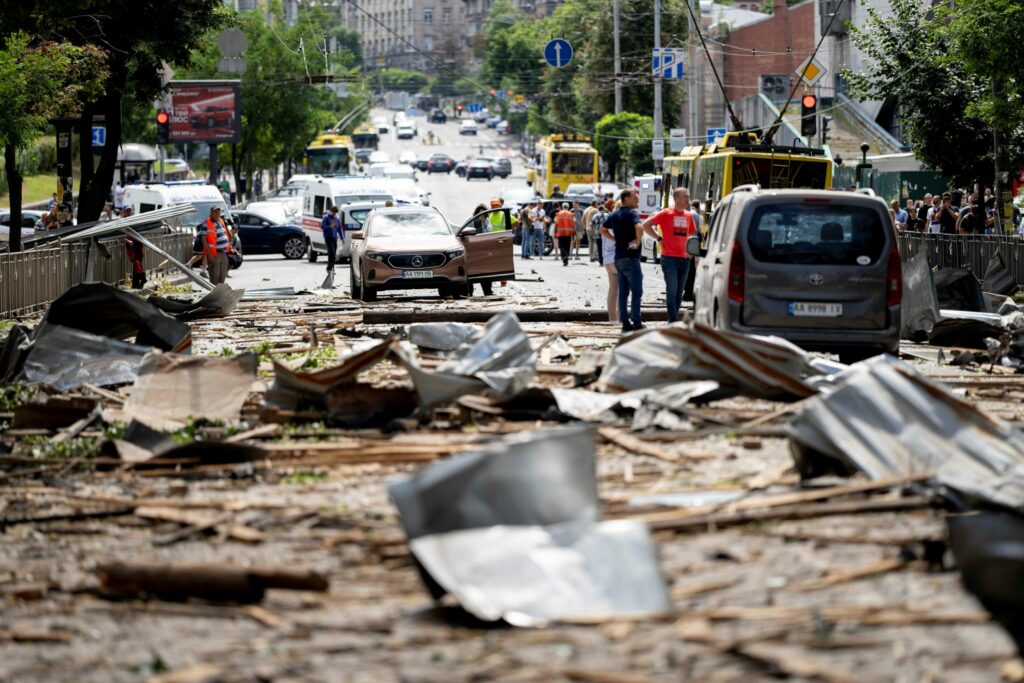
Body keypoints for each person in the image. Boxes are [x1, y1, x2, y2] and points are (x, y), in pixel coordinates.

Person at [643, 188, 698, 324]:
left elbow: (693, 235)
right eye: (685, 197)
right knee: (672, 290)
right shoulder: (665, 213)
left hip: (685, 259)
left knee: (680, 292)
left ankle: (673, 320)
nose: (688, 199)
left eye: (688, 197)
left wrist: (693, 254)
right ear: (677, 198)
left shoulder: (689, 215)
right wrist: (658, 238)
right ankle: (672, 321)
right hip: (669, 259)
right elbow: (646, 225)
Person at [600, 189, 645, 332]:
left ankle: (624, 322)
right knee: (637, 291)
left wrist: (615, 239)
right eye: (634, 199)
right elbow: (639, 226)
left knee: (623, 292)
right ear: (626, 199)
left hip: (618, 257)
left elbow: (602, 229)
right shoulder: (632, 213)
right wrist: (637, 241)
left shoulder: (613, 215)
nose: (637, 201)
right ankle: (637, 322)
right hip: (631, 257)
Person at [599, 199, 619, 323]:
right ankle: (622, 319)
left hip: (607, 259)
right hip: (617, 258)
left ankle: (612, 319)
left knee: (612, 290)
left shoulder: (607, 221)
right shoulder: (619, 220)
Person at [120, 206, 147, 289]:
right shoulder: (121, 222)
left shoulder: (134, 220)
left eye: (130, 211)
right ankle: (143, 279)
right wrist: (127, 241)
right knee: (136, 263)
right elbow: (119, 235)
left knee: (138, 264)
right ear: (124, 212)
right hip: (131, 246)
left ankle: (135, 284)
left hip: (138, 244)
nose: (129, 213)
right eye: (128, 211)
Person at [203, 206, 231, 285]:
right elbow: (203, 239)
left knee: (223, 274)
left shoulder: (221, 221)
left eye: (219, 212)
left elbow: (226, 235)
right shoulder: (206, 223)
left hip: (223, 252)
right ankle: (214, 291)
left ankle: (220, 289)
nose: (217, 214)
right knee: (215, 274)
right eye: (215, 212)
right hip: (214, 253)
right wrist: (209, 254)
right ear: (211, 213)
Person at [320, 205, 343, 271]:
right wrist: (329, 226)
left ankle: (332, 267)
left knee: (334, 252)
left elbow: (339, 229)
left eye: (335, 213)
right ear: (330, 211)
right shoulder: (326, 218)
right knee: (331, 251)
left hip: (334, 237)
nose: (333, 214)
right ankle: (329, 267)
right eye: (333, 212)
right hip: (328, 237)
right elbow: (322, 227)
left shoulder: (336, 219)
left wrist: (342, 238)